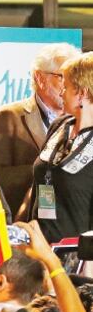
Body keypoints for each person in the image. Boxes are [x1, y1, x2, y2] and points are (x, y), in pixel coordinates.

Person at [0, 43, 80, 219]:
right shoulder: (6, 117)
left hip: (73, 223)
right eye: (63, 76)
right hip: (26, 224)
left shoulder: (82, 118)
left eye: (75, 77)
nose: (71, 84)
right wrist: (44, 172)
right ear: (40, 78)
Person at [31, 51, 93, 243]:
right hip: (40, 247)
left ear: (82, 93)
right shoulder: (60, 125)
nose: (60, 93)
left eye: (65, 87)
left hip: (78, 256)